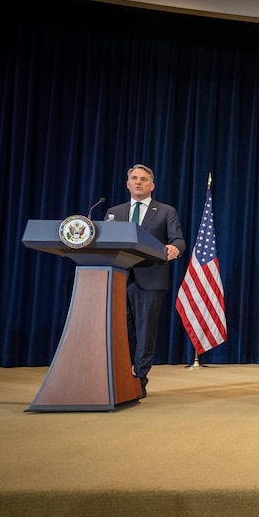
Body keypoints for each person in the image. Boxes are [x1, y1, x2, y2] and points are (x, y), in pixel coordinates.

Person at [106, 164, 185, 398]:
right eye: (134, 178)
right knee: (117, 331)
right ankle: (116, 376)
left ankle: (139, 379)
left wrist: (174, 249)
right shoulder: (114, 211)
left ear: (152, 186)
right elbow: (105, 240)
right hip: (119, 278)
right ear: (128, 184)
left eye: (143, 179)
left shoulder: (165, 211)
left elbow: (178, 239)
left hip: (150, 279)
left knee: (145, 333)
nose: (138, 182)